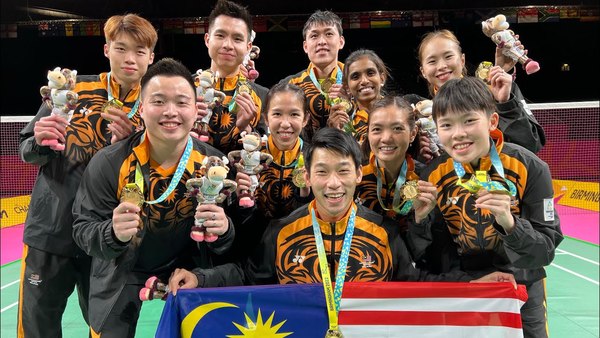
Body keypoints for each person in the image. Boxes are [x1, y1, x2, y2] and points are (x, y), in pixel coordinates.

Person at [167, 128, 516, 293]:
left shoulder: (384, 231)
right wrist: (201, 278)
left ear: (359, 172)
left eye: (343, 170)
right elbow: (247, 276)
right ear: (307, 175)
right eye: (322, 171)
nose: (333, 183)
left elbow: (417, 285)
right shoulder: (281, 229)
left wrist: (475, 284)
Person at [71, 58, 238, 337]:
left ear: (196, 109)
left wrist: (224, 230)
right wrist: (112, 233)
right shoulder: (110, 162)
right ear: (143, 108)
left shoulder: (215, 165)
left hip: (188, 268)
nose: (171, 112)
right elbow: (82, 229)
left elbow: (231, 243)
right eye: (158, 101)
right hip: (123, 269)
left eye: (182, 102)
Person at [17, 14, 157, 338]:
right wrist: (39, 141)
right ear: (107, 49)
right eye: (121, 48)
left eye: (140, 51)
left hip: (106, 239)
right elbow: (27, 147)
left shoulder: (155, 105)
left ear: (151, 56)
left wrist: (131, 145)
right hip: (50, 232)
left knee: (106, 330)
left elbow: (161, 175)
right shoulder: (71, 88)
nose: (130, 58)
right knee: (37, 329)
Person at [420, 76, 563, 338]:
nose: (459, 133)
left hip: (522, 290)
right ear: (437, 131)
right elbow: (435, 253)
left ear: (492, 121)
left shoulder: (531, 168)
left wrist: (511, 224)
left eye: (469, 120)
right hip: (466, 287)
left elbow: (545, 251)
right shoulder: (431, 177)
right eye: (447, 125)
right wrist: (419, 222)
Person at [416, 29, 545, 159]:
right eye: (432, 61)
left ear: (462, 60)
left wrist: (504, 103)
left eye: (448, 56)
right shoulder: (417, 111)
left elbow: (531, 145)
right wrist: (417, 151)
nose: (442, 66)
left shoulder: (501, 91)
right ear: (423, 71)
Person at [354, 96, 437, 250]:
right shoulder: (353, 177)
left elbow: (428, 254)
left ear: (413, 133)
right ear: (368, 133)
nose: (386, 138)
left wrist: (420, 219)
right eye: (377, 129)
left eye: (397, 128)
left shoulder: (426, 180)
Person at [196, 0, 267, 154]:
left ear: (248, 46)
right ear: (207, 40)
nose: (228, 45)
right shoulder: (185, 87)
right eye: (220, 35)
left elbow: (268, 152)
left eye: (237, 39)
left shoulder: (263, 96)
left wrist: (246, 128)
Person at [280, 10, 347, 141]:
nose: (321, 41)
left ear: (341, 42)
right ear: (305, 46)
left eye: (328, 34)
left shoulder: (356, 83)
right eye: (314, 36)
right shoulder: (289, 85)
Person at [328, 49, 389, 144]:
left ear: (382, 78)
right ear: (347, 87)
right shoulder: (343, 123)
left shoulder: (400, 112)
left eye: (370, 73)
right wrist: (335, 133)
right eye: (355, 77)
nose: (364, 81)